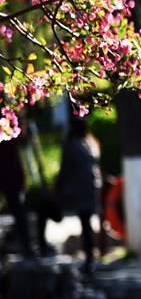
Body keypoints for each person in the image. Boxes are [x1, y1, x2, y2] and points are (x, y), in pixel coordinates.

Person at [54, 116, 102, 274]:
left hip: (79, 190)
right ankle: (91, 258)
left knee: (86, 225)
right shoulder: (90, 143)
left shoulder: (72, 145)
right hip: (92, 187)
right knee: (87, 224)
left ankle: (89, 260)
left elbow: (65, 169)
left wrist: (57, 188)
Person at [0, 128, 34, 257]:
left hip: (11, 178)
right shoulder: (9, 133)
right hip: (12, 178)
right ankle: (25, 245)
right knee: (19, 214)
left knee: (19, 213)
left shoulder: (8, 132)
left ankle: (25, 245)